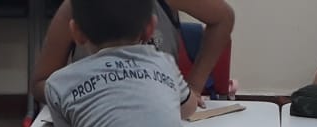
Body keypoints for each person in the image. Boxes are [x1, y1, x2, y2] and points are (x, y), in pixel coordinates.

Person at [43, 0, 207, 127]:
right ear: (150, 28)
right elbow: (189, 108)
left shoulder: (57, 85)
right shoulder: (164, 64)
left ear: (76, 31)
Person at [31, 0, 235, 110]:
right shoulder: (75, 7)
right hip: (96, 115)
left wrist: (194, 86)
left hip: (159, 112)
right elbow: (41, 83)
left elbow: (224, 17)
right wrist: (78, 96)